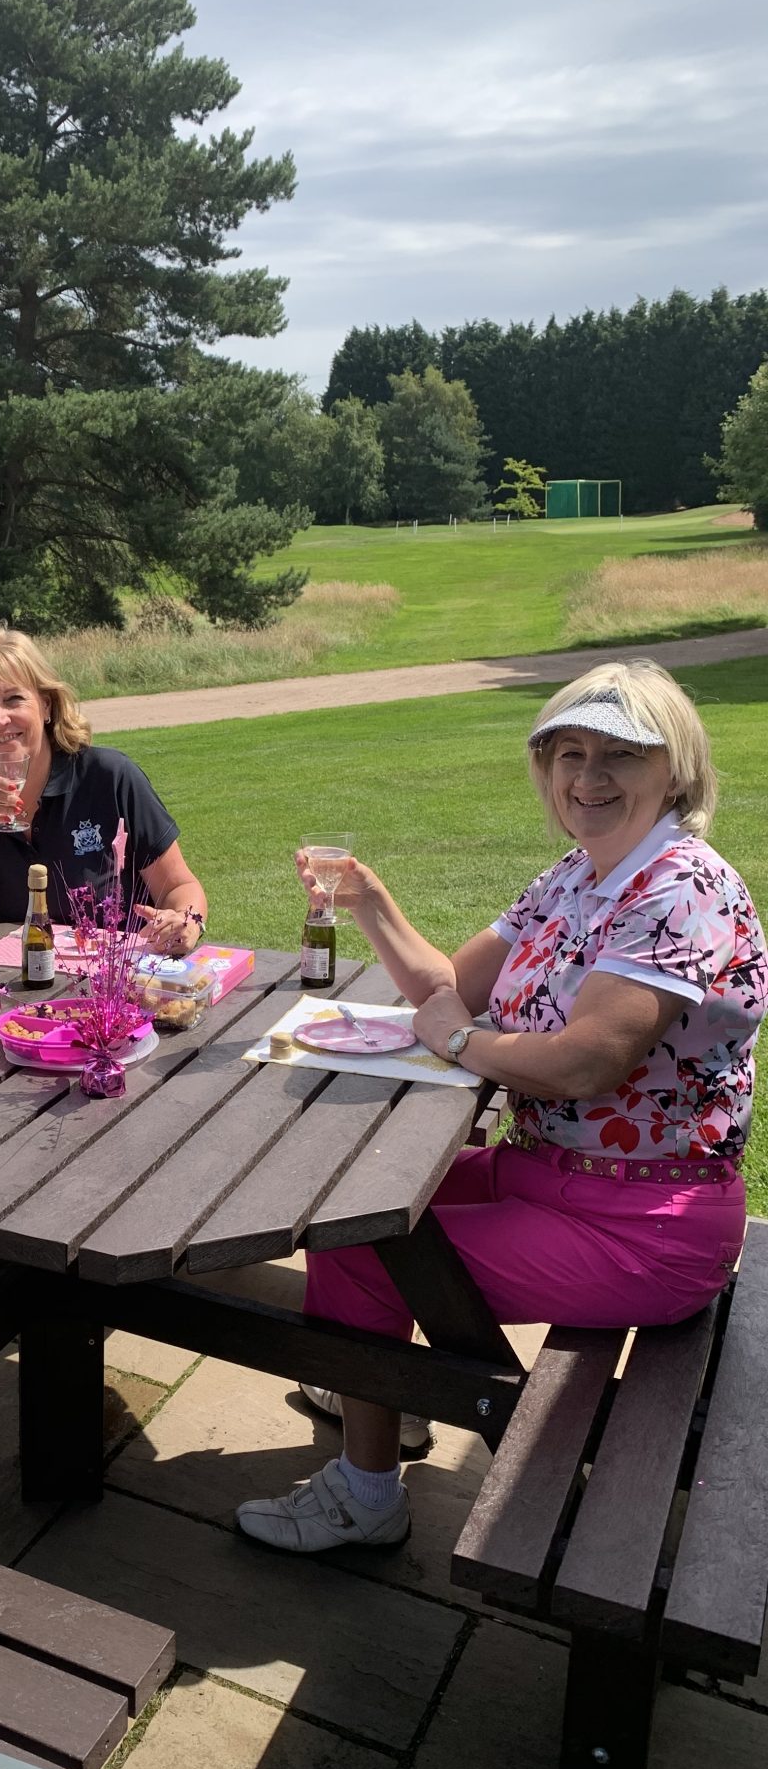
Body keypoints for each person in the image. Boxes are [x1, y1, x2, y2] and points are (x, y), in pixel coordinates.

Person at [237, 660, 764, 1556]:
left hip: (646, 1226)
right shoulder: (578, 875)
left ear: (672, 769)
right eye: (568, 753)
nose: (587, 778)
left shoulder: (678, 888)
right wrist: (369, 902)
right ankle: (382, 1399)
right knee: (352, 1198)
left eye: (618, 757)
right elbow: (453, 985)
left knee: (363, 1243)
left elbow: (586, 1064)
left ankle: (367, 1496)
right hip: (552, 1177)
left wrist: (454, 1041)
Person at [0, 626, 208, 955]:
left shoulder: (109, 777)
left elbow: (179, 886)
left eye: (13, 698)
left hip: (121, 984)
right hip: (30, 990)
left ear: (46, 706)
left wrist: (186, 920)